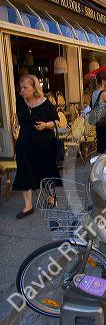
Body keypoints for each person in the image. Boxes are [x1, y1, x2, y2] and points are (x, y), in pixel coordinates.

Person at [12, 75, 60, 219]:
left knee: (47, 170)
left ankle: (51, 197)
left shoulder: (46, 103)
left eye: (25, 87)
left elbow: (57, 122)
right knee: (24, 172)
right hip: (24, 145)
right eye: (20, 88)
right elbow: (19, 117)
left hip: (44, 144)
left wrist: (46, 125)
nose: (22, 91)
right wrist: (16, 124)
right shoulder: (20, 101)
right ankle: (28, 206)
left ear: (34, 88)